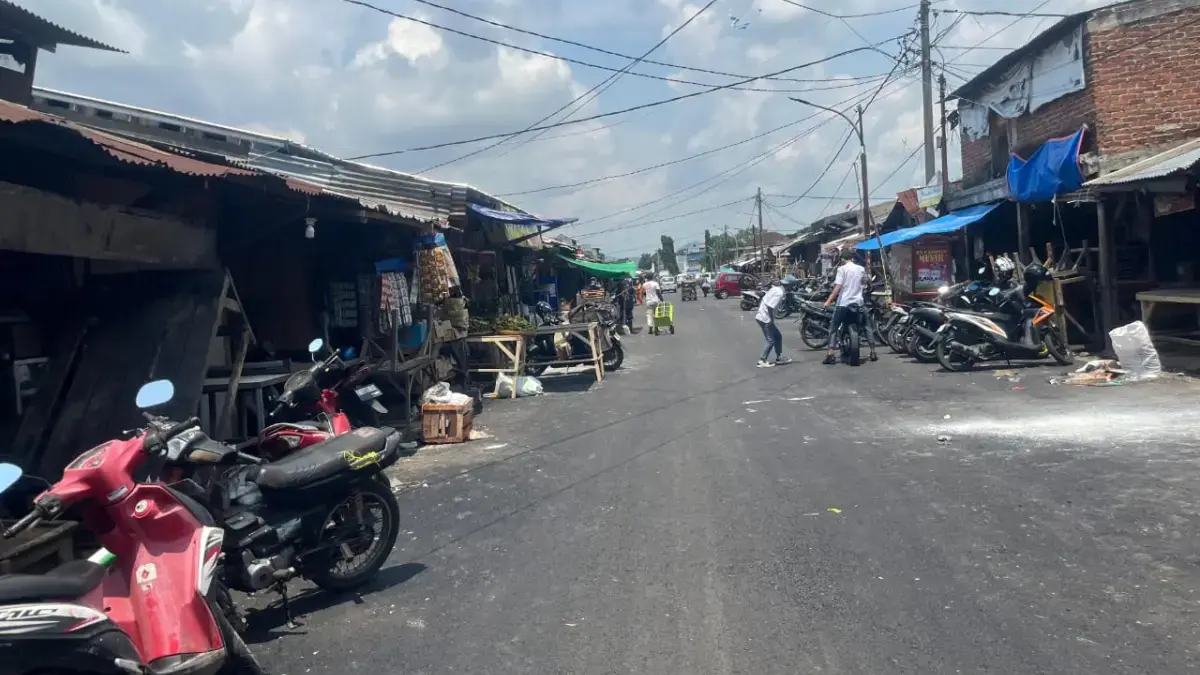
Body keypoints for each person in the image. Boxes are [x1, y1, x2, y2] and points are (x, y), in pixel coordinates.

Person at [823, 252, 877, 365]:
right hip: (858, 303)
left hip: (843, 304)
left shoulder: (841, 269)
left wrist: (828, 301)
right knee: (867, 325)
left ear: (842, 259)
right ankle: (873, 352)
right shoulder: (861, 269)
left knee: (833, 327)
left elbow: (838, 286)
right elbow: (866, 283)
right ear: (852, 258)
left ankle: (830, 354)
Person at [754, 279, 791, 367]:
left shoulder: (775, 289)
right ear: (789, 286)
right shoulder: (779, 293)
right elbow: (770, 307)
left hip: (762, 316)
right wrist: (771, 320)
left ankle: (779, 357)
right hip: (765, 318)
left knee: (777, 336)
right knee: (770, 340)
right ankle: (762, 360)